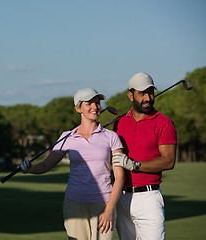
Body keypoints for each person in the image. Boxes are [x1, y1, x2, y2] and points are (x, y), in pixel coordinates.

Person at [20, 88, 125, 240]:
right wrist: (29, 169)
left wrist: (109, 210)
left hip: (104, 204)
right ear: (78, 108)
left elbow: (120, 177)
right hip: (74, 204)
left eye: (97, 103)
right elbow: (45, 166)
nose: (95, 107)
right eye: (89, 103)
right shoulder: (66, 137)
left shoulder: (111, 137)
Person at [112, 72, 177, 240]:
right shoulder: (119, 123)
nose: (148, 98)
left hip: (148, 199)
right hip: (122, 198)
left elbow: (169, 161)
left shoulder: (163, 122)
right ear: (130, 95)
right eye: (142, 93)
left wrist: (135, 165)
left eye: (151, 92)